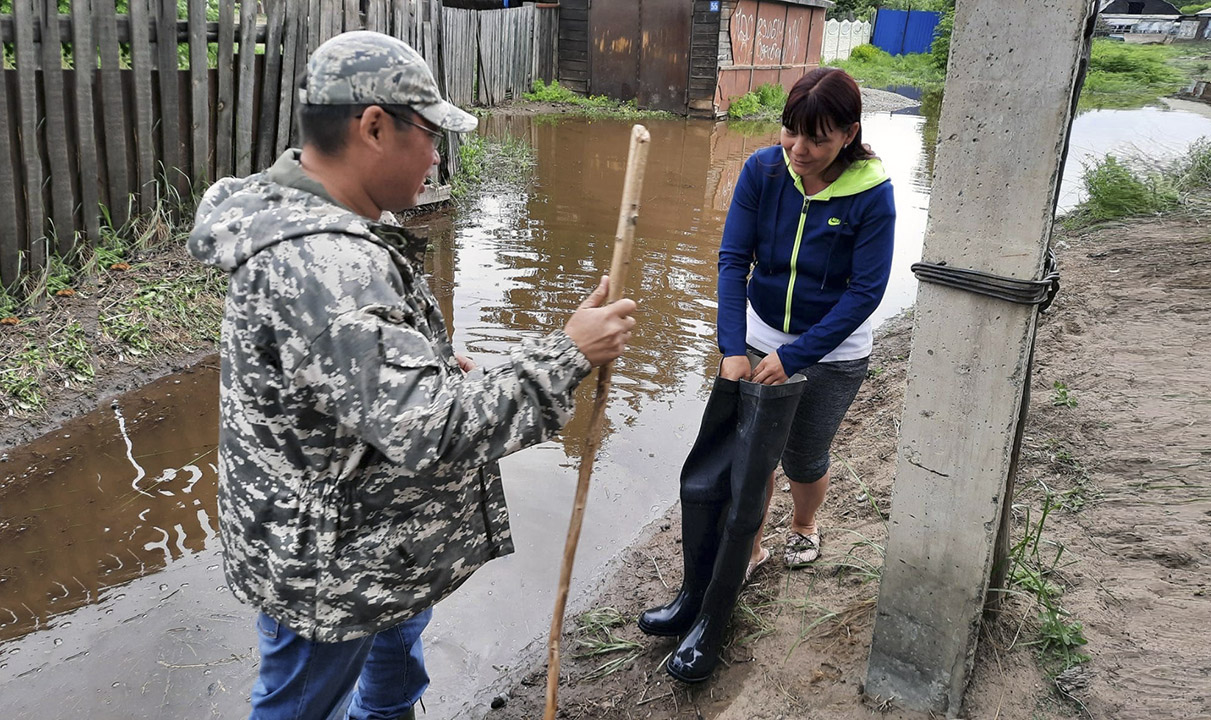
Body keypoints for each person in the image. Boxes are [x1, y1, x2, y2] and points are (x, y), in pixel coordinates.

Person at [188, 31, 636, 720]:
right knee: (301, 707)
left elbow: (348, 377)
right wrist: (566, 353)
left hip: (372, 533)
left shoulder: (317, 217)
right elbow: (435, 428)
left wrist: (420, 359)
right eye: (429, 135)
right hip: (329, 566)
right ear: (373, 127)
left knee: (393, 674)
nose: (436, 157)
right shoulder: (325, 264)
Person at [717, 67, 895, 573]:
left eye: (817, 139)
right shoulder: (763, 170)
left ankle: (803, 526)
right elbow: (733, 261)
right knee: (754, 454)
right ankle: (751, 547)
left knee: (803, 456)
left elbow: (866, 292)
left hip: (835, 352)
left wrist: (795, 355)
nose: (798, 149)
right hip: (758, 334)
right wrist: (733, 346)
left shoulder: (872, 192)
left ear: (848, 135)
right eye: (790, 130)